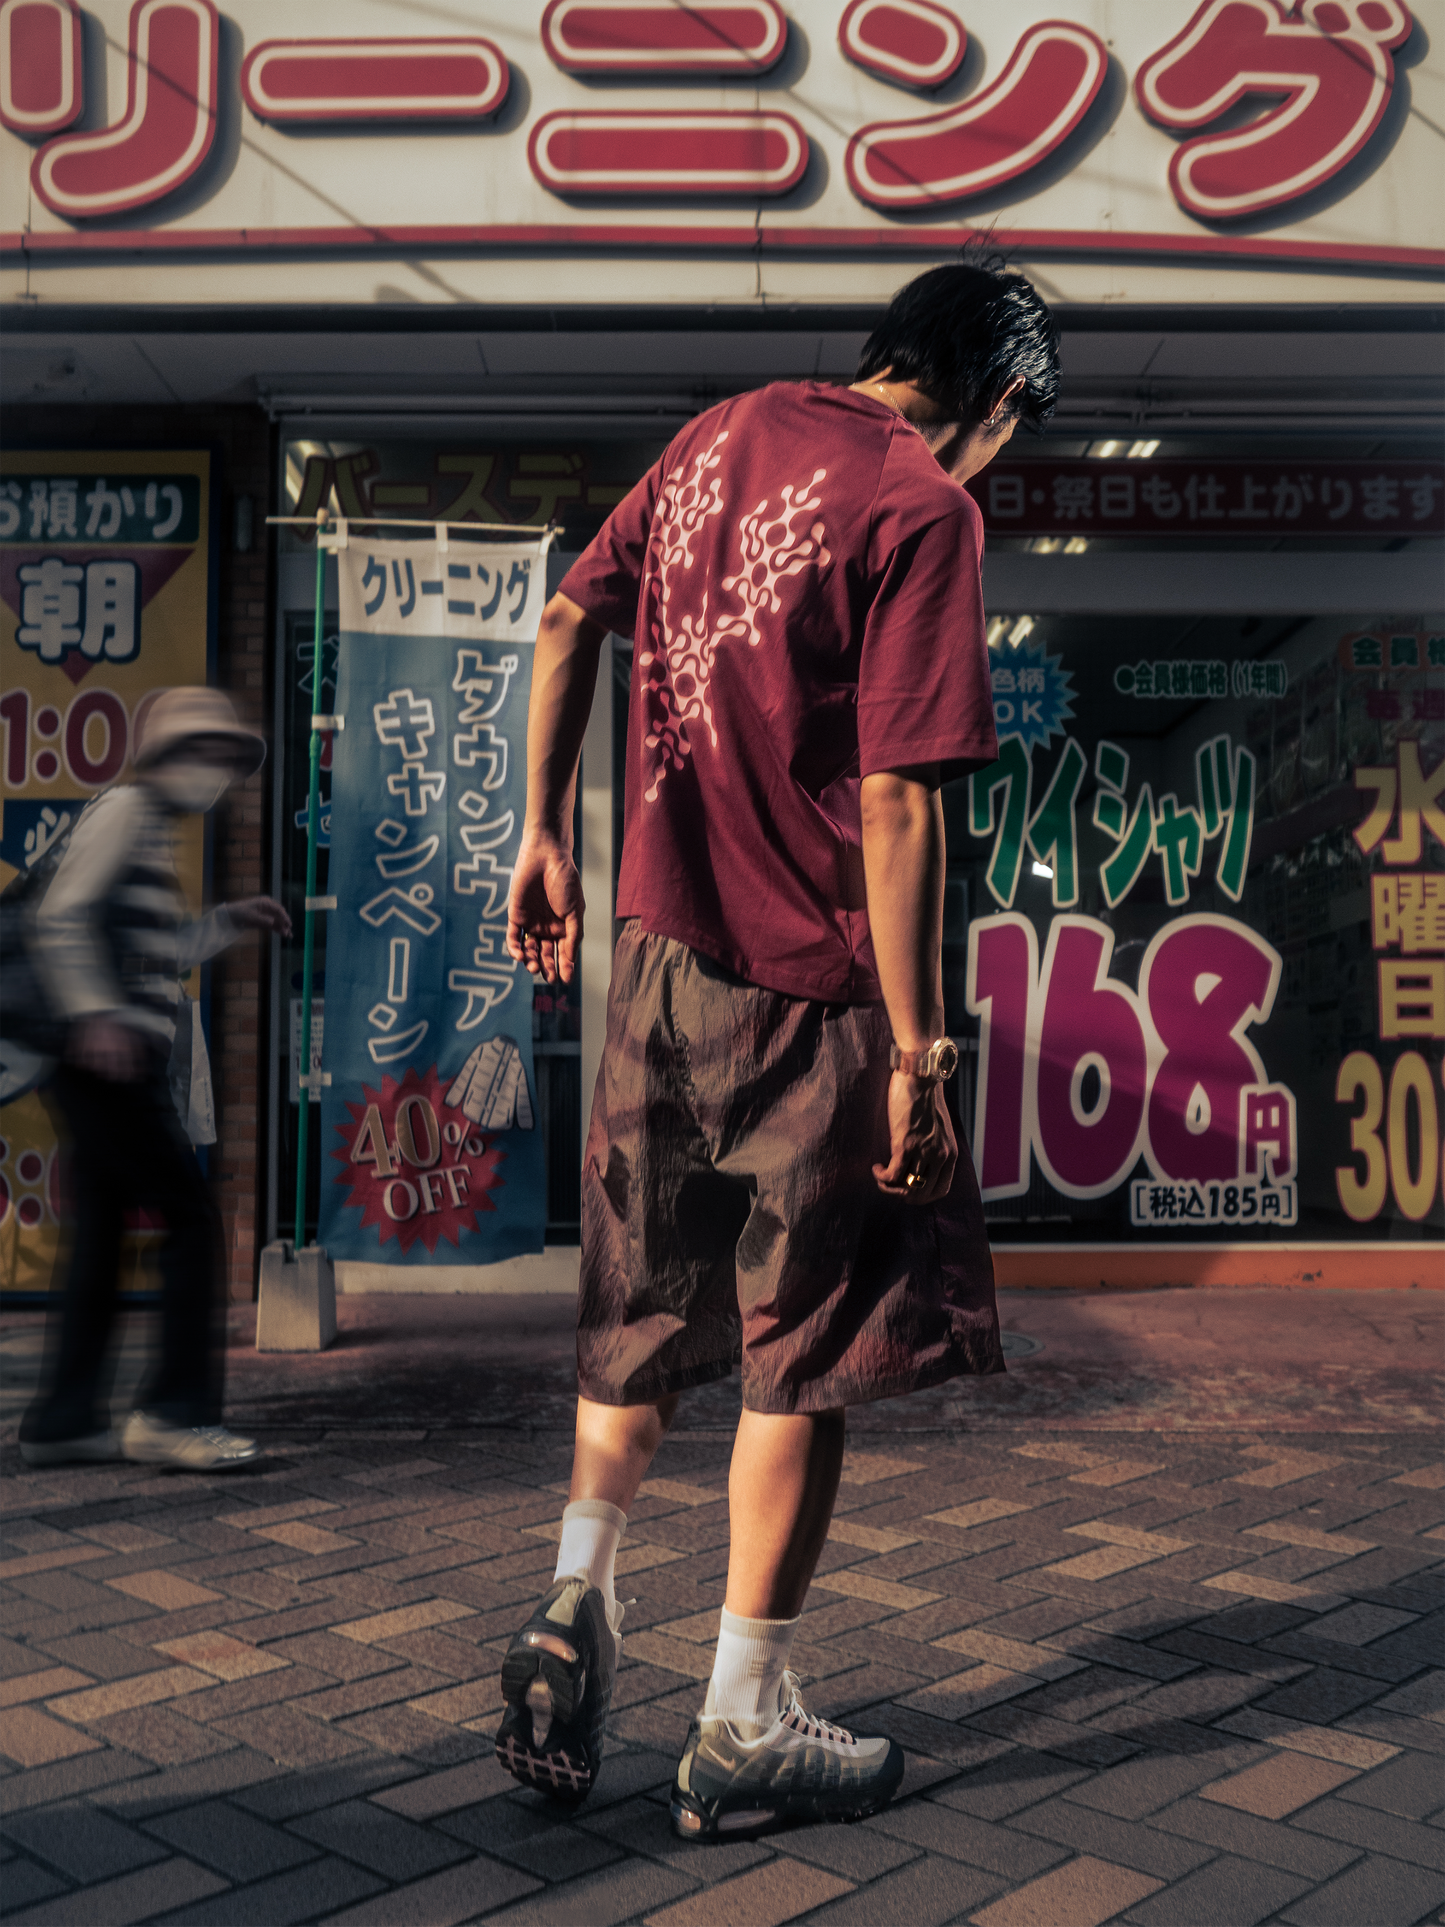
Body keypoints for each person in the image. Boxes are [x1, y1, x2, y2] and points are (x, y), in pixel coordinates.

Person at [497, 256, 1059, 1839]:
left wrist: (542, 833)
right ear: (996, 401)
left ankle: (577, 1596)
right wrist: (926, 1056)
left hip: (655, 964)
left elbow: (561, 615)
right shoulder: (920, 504)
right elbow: (897, 800)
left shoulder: (716, 433)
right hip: (809, 990)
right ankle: (742, 1714)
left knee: (638, 1312)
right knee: (799, 1345)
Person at [18, 686, 291, 1473]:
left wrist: (230, 918)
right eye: (213, 756)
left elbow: (156, 950)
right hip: (103, 1060)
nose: (221, 776)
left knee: (100, 1237)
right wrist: (95, 1012)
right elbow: (59, 917)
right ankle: (174, 1412)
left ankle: (63, 1419)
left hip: (100, 1061)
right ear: (174, 753)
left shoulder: (147, 824)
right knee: (193, 1218)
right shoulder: (130, 809)